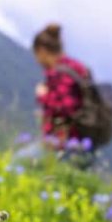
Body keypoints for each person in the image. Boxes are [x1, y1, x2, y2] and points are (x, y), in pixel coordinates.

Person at [33, 23, 93, 152]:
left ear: (42, 51)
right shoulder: (75, 67)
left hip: (65, 143)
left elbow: (66, 109)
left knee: (19, 162)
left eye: (36, 55)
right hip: (81, 140)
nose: (37, 61)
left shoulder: (60, 74)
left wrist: (43, 96)